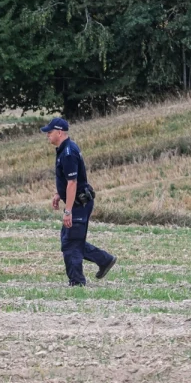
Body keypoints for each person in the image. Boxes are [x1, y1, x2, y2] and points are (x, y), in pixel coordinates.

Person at [42, 117, 116, 286]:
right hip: (76, 202)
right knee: (70, 240)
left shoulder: (68, 153)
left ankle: (77, 282)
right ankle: (104, 259)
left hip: (78, 205)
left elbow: (73, 182)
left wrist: (68, 211)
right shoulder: (64, 149)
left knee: (71, 244)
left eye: (50, 131)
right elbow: (67, 179)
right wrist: (58, 194)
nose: (47, 134)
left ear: (59, 132)